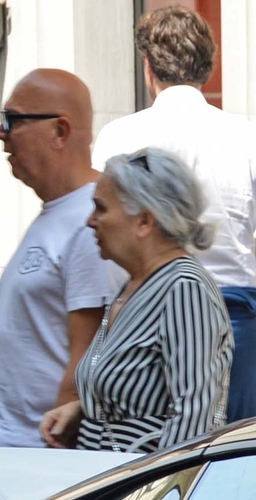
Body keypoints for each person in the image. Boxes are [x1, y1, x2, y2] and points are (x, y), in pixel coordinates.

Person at [93, 6, 256, 422]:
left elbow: (101, 231)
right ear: (206, 67)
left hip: (145, 316)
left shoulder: (119, 136)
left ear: (148, 68)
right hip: (233, 316)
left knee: (146, 462)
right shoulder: (253, 140)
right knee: (229, 461)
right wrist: (234, 249)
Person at [42, 149, 230, 454]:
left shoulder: (184, 288)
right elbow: (138, 395)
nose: (90, 222)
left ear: (144, 220)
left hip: (143, 495)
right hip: (105, 487)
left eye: (101, 209)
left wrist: (152, 497)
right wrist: (83, 411)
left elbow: (195, 418)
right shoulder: (134, 286)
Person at [0, 69, 124, 449]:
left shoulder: (92, 220)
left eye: (13, 120)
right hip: (13, 454)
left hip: (39, 461)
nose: (1, 133)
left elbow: (87, 355)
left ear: (60, 131)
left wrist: (52, 456)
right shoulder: (60, 211)